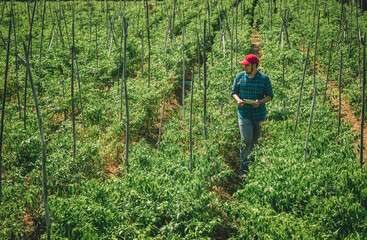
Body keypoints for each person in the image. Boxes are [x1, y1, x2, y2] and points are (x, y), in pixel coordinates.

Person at [231, 54, 274, 176]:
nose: (244, 67)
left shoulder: (264, 79)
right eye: (244, 65)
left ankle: (253, 166)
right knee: (246, 140)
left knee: (255, 141)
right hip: (244, 114)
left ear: (254, 65)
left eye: (247, 65)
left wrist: (259, 102)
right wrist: (238, 100)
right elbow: (234, 92)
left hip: (259, 114)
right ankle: (244, 167)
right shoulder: (239, 77)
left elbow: (270, 95)